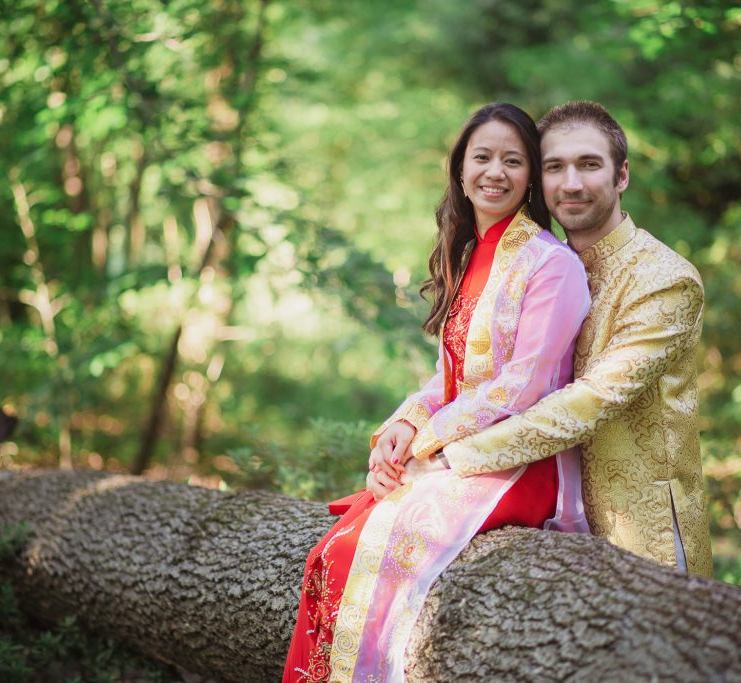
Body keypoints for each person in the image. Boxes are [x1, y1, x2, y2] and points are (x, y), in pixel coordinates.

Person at [281, 102, 592, 683]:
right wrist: (402, 427)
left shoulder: (551, 265)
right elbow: (451, 375)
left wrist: (426, 443)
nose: (494, 172)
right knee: (332, 549)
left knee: (359, 551)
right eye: (482, 157)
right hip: (456, 448)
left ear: (530, 179)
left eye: (512, 160)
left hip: (517, 461)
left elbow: (521, 385)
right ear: (460, 168)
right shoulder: (472, 254)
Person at [400, 100, 714, 577]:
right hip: (551, 519)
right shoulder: (542, 266)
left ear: (622, 175)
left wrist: (456, 457)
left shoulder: (663, 279)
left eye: (589, 165)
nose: (570, 183)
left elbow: (591, 400)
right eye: (553, 167)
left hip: (640, 531)